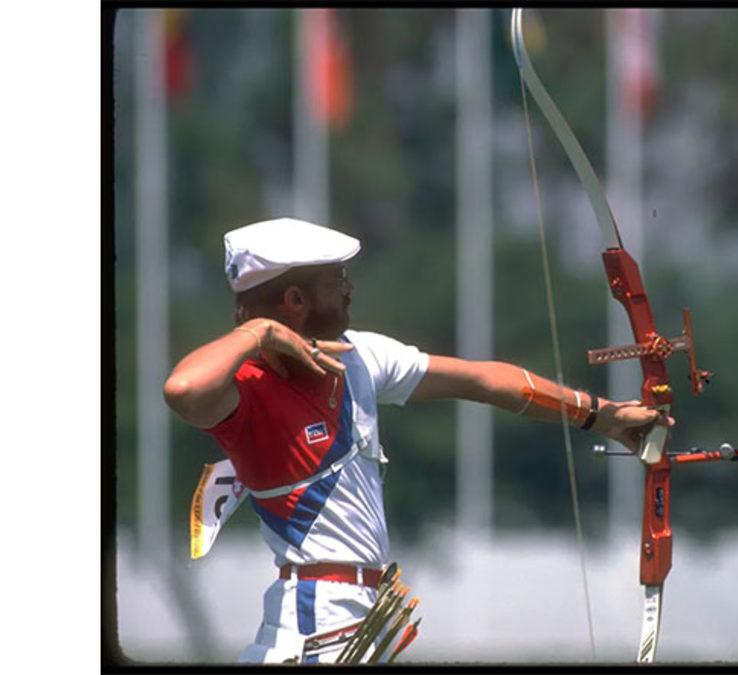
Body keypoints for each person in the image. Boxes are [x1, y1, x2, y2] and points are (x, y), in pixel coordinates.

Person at [162, 217, 670, 662]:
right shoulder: (248, 390)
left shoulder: (360, 357)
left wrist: (601, 416)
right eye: (337, 280)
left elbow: (482, 380)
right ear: (295, 301)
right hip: (312, 625)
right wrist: (259, 334)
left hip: (361, 621)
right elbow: (183, 389)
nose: (349, 289)